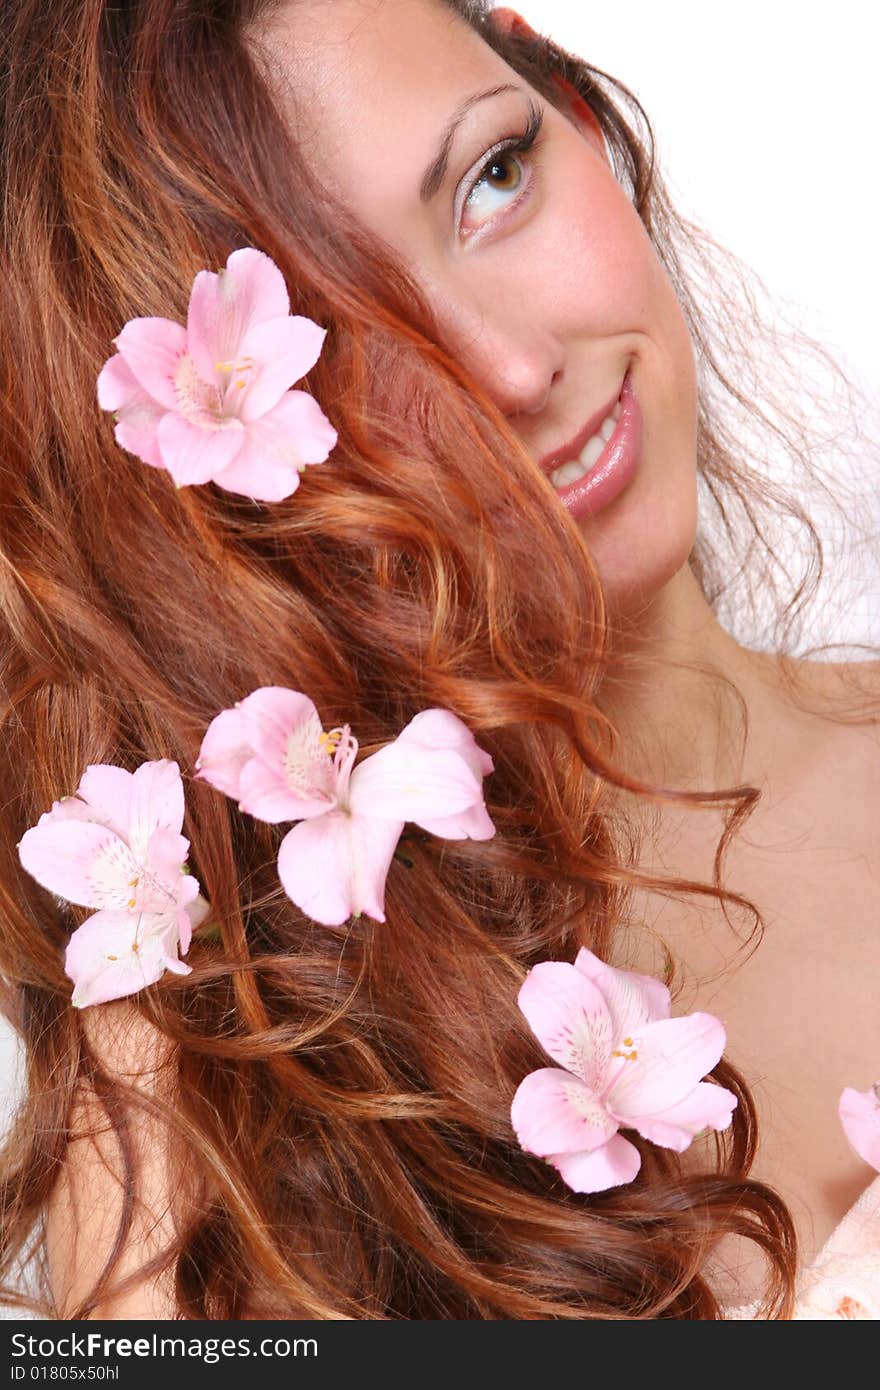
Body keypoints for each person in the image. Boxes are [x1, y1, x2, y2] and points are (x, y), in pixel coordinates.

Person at [1, 0, 878, 1321]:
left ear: (575, 111)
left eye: (492, 179)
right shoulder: (220, 1068)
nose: (514, 368)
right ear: (203, 477)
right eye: (347, 337)